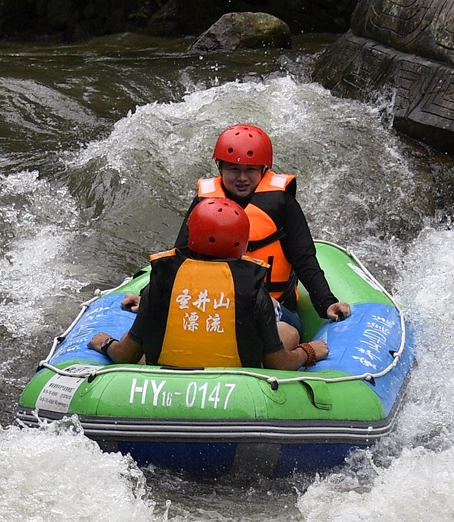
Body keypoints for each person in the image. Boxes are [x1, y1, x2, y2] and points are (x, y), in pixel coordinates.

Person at [89, 198, 329, 370]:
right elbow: (280, 364)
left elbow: (125, 355)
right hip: (236, 383)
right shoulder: (255, 292)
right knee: (288, 332)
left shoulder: (160, 285)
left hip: (166, 376)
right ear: (242, 244)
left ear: (190, 239)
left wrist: (106, 343)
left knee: (136, 343)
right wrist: (308, 352)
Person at [178, 123, 351, 351]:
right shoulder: (204, 204)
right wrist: (149, 299)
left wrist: (327, 302)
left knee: (261, 316)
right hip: (213, 305)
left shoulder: (282, 205)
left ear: (264, 170)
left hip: (276, 310)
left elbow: (304, 259)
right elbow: (180, 258)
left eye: (251, 170)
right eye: (233, 169)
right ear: (220, 168)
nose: (242, 178)